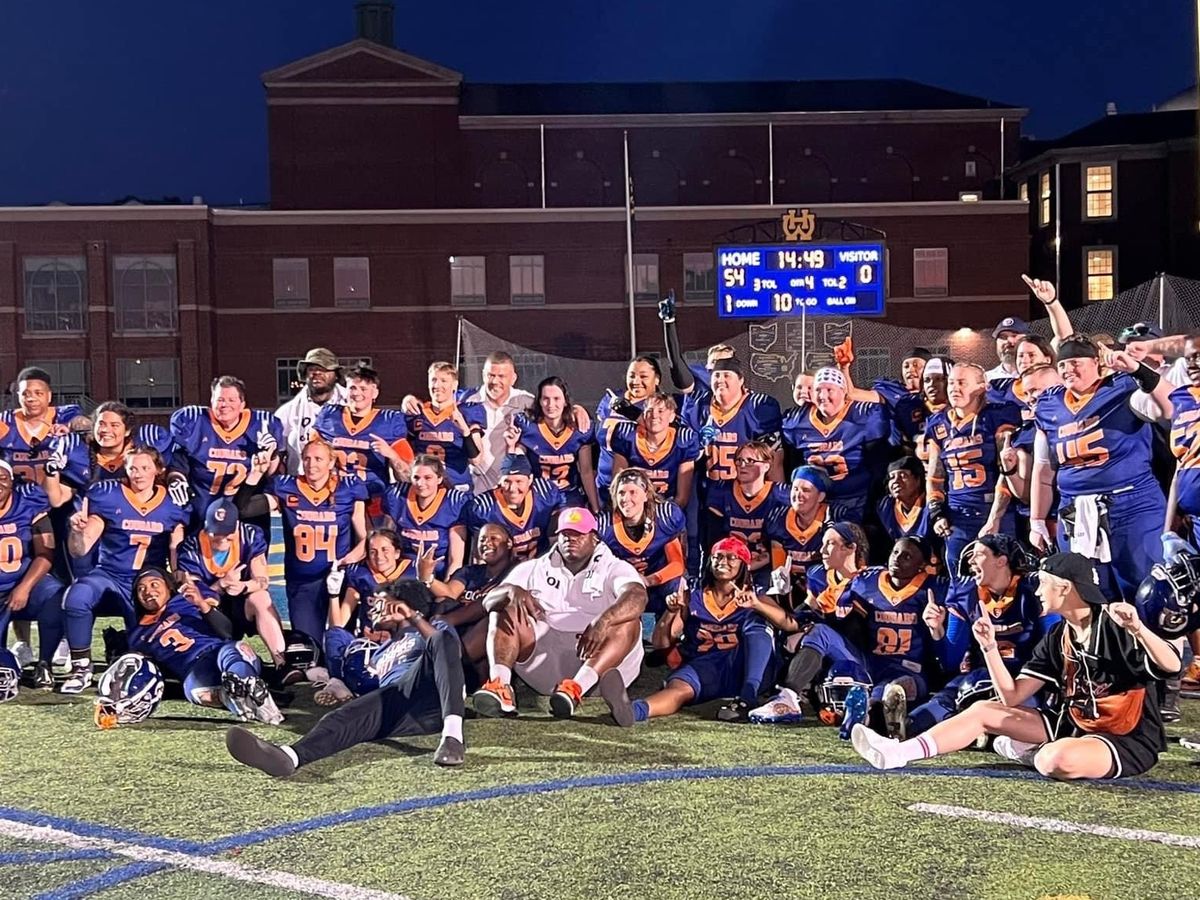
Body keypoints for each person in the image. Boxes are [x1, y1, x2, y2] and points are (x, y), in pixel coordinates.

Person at [852, 553, 1180, 780]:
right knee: (983, 710)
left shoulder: (1113, 623)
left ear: (1065, 587)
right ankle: (898, 753)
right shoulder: (1059, 635)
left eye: (1044, 583)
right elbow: (1011, 696)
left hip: (1125, 737)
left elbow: (1170, 665)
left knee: (1054, 759)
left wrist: (1138, 629)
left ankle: (1028, 752)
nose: (1037, 590)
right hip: (1074, 724)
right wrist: (990, 647)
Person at [225, 579, 468, 774]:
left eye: (381, 604)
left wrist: (414, 617)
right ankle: (290, 756)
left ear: (401, 605)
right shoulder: (379, 651)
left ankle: (453, 736)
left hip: (434, 695)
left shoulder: (432, 628)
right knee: (342, 716)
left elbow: (450, 652)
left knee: (440, 640)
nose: (373, 610)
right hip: (398, 706)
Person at [1031, 337, 1175, 599]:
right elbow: (1043, 470)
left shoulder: (1121, 389)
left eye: (1075, 362)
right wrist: (1037, 519)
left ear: (1096, 362)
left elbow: (1171, 407)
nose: (1067, 369)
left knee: (1145, 590)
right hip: (1074, 510)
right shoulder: (1049, 404)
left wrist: (1137, 369)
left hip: (1131, 506)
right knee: (1088, 593)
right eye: (1062, 364)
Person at [472, 507, 647, 723]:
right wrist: (509, 591)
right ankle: (501, 686)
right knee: (504, 606)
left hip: (597, 656)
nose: (570, 540)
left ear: (594, 538)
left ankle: (577, 688)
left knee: (628, 618)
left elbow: (638, 595)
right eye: (565, 534)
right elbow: (488, 602)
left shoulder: (615, 567)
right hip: (545, 659)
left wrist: (604, 620)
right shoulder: (534, 567)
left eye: (578, 534)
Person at [62, 445, 189, 693]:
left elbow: (176, 547)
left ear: (158, 470)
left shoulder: (173, 502)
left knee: (144, 651)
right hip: (110, 574)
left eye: (144, 468)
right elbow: (80, 549)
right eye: (133, 468)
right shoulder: (108, 495)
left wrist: (177, 580)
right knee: (76, 596)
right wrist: (76, 532)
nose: (138, 474)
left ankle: (124, 647)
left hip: (147, 580)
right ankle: (81, 667)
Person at [909, 534, 1052, 736]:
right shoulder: (965, 593)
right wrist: (936, 629)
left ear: (1001, 561)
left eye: (978, 554)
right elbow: (951, 661)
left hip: (1024, 682)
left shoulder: (1035, 592)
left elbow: (1052, 654)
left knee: (1022, 707)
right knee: (930, 712)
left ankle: (982, 730)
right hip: (977, 677)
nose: (970, 561)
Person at [630, 536, 782, 723]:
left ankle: (748, 696)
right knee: (678, 689)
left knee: (757, 623)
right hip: (705, 666)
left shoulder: (755, 594)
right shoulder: (692, 595)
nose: (723, 561)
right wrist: (670, 612)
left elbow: (790, 624)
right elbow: (660, 643)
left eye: (731, 557)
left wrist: (757, 605)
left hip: (743, 666)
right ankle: (634, 710)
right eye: (718, 556)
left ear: (743, 564)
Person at [235, 439, 368, 648]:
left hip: (339, 578)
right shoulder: (287, 487)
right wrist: (255, 475)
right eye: (306, 458)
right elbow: (242, 510)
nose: (311, 464)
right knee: (309, 647)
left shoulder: (348, 489)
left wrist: (347, 561)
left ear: (331, 462)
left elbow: (364, 538)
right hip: (302, 582)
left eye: (318, 459)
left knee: (342, 643)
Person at [748, 522, 869, 724]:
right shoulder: (819, 575)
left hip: (862, 660)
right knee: (790, 635)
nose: (822, 550)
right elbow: (801, 615)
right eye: (823, 543)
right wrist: (778, 600)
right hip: (831, 657)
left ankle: (788, 698)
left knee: (820, 632)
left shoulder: (870, 582)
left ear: (850, 547)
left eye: (830, 543)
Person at [128, 567, 283, 724]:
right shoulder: (137, 636)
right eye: (141, 589)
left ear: (168, 586)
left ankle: (251, 689)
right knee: (193, 691)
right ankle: (241, 698)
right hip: (194, 669)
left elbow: (227, 632)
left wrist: (202, 604)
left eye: (154, 584)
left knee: (231, 652)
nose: (148, 591)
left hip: (220, 651)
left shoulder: (185, 598)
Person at [925, 363, 1021, 574]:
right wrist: (937, 513)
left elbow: (1005, 470)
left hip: (993, 510)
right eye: (951, 383)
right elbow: (934, 477)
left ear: (981, 387)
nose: (954, 388)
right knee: (961, 581)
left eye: (962, 383)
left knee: (1001, 578)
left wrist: (995, 518)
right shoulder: (938, 423)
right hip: (957, 516)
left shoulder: (997, 416)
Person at [175, 498, 288, 680]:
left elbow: (262, 581)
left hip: (241, 604)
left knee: (261, 597)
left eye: (227, 532)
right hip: (211, 610)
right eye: (216, 532)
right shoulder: (191, 547)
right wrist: (221, 585)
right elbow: (195, 596)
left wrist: (243, 586)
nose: (222, 538)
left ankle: (281, 661)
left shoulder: (250, 535)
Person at [170, 375, 285, 526]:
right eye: (220, 400)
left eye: (231, 400)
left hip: (245, 513)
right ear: (211, 401)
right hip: (201, 511)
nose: (225, 405)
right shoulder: (194, 422)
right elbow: (178, 466)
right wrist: (176, 480)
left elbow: (273, 475)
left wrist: (272, 454)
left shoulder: (263, 426)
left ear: (242, 404)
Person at [319, 528, 414, 705]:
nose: (379, 556)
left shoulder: (413, 572)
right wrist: (333, 594)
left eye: (385, 550)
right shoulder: (361, 574)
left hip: (399, 644)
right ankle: (337, 682)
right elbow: (338, 624)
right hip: (366, 642)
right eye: (373, 551)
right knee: (334, 634)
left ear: (397, 552)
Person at [783, 367, 889, 522]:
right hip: (815, 502)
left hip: (856, 499)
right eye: (818, 390)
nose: (822, 396)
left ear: (844, 391)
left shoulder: (864, 415)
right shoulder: (797, 421)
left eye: (829, 390)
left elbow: (879, 465)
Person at [0, 461, 67, 689]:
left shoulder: (28, 505)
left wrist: (24, 587)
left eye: (3, 478)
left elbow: (45, 553)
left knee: (55, 594)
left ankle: (44, 663)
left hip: (22, 581)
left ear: (12, 482)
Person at [314, 361, 413, 508]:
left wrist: (391, 455)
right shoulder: (329, 415)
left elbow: (408, 476)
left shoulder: (390, 421)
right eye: (352, 388)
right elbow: (310, 459)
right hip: (334, 498)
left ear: (375, 393)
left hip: (373, 499)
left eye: (363, 388)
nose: (356, 393)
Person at [597, 468, 687, 616]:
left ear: (646, 494)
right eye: (621, 493)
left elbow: (677, 565)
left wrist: (647, 580)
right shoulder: (603, 525)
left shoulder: (665, 518)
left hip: (658, 579)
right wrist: (625, 571)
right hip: (622, 584)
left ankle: (670, 629)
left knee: (677, 587)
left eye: (633, 492)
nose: (626, 499)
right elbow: (598, 569)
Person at [509, 376, 599, 511]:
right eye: (546, 399)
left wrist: (595, 508)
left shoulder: (579, 429)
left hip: (569, 496)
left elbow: (586, 472)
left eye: (556, 399)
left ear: (565, 401)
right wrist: (511, 446)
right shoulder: (527, 426)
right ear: (539, 401)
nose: (551, 404)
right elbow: (517, 464)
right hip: (537, 497)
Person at [705, 440, 788, 587]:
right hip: (729, 564)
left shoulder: (780, 494)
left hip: (766, 564)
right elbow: (714, 539)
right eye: (739, 460)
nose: (743, 465)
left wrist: (755, 564)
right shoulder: (721, 491)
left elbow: (780, 545)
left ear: (766, 466)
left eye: (750, 461)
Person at [382, 454, 469, 581]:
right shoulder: (396, 495)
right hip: (404, 568)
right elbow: (385, 540)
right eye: (416, 477)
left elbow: (455, 559)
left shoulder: (454, 503)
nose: (420, 483)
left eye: (427, 478)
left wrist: (447, 588)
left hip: (438, 569)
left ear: (439, 478)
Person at [463, 453, 563, 561]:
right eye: (507, 481)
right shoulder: (483, 508)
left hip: (541, 564)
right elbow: (480, 556)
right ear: (499, 480)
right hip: (503, 568)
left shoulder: (545, 493)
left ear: (530, 479)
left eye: (519, 481)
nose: (512, 488)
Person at [608, 392, 698, 509]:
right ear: (644, 415)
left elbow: (682, 498)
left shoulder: (683, 440)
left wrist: (666, 515)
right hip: (633, 509)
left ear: (672, 416)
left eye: (661, 411)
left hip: (668, 508)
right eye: (650, 411)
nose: (654, 415)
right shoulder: (626, 436)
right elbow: (618, 485)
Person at [403, 361, 486, 489]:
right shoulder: (417, 413)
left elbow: (476, 460)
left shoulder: (467, 412)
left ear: (455, 385)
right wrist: (407, 400)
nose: (437, 385)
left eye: (443, 380)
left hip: (457, 487)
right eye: (433, 380)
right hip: (426, 487)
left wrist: (465, 430)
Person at [595, 355, 666, 500]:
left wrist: (631, 413)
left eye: (643, 376)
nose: (636, 381)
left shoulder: (661, 406)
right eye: (632, 376)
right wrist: (577, 410)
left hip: (637, 489)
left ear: (657, 379)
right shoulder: (611, 399)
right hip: (603, 483)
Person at [0, 366, 81, 485]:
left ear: (49, 396)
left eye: (38, 393)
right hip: (18, 494)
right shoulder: (5, 422)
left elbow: (85, 423)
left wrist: (73, 427)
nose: (31, 398)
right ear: (18, 396)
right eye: (25, 394)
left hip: (61, 493)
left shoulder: (65, 416)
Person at [274, 348, 349, 477]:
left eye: (324, 369)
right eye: (312, 369)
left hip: (344, 483)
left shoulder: (352, 404)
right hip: (301, 483)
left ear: (336, 375)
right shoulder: (286, 413)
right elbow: (277, 457)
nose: (317, 373)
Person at [765, 466, 831, 602]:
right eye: (795, 489)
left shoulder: (834, 517)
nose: (798, 495)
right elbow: (779, 567)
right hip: (791, 585)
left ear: (820, 496)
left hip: (823, 584)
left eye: (806, 490)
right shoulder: (778, 518)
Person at [876, 456, 933, 547]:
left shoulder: (932, 504)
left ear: (918, 480)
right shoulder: (885, 506)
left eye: (902, 476)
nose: (895, 481)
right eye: (892, 477)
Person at [985, 315, 1029, 383]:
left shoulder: (1039, 376)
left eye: (1014, 335)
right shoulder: (987, 379)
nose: (1008, 341)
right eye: (1003, 337)